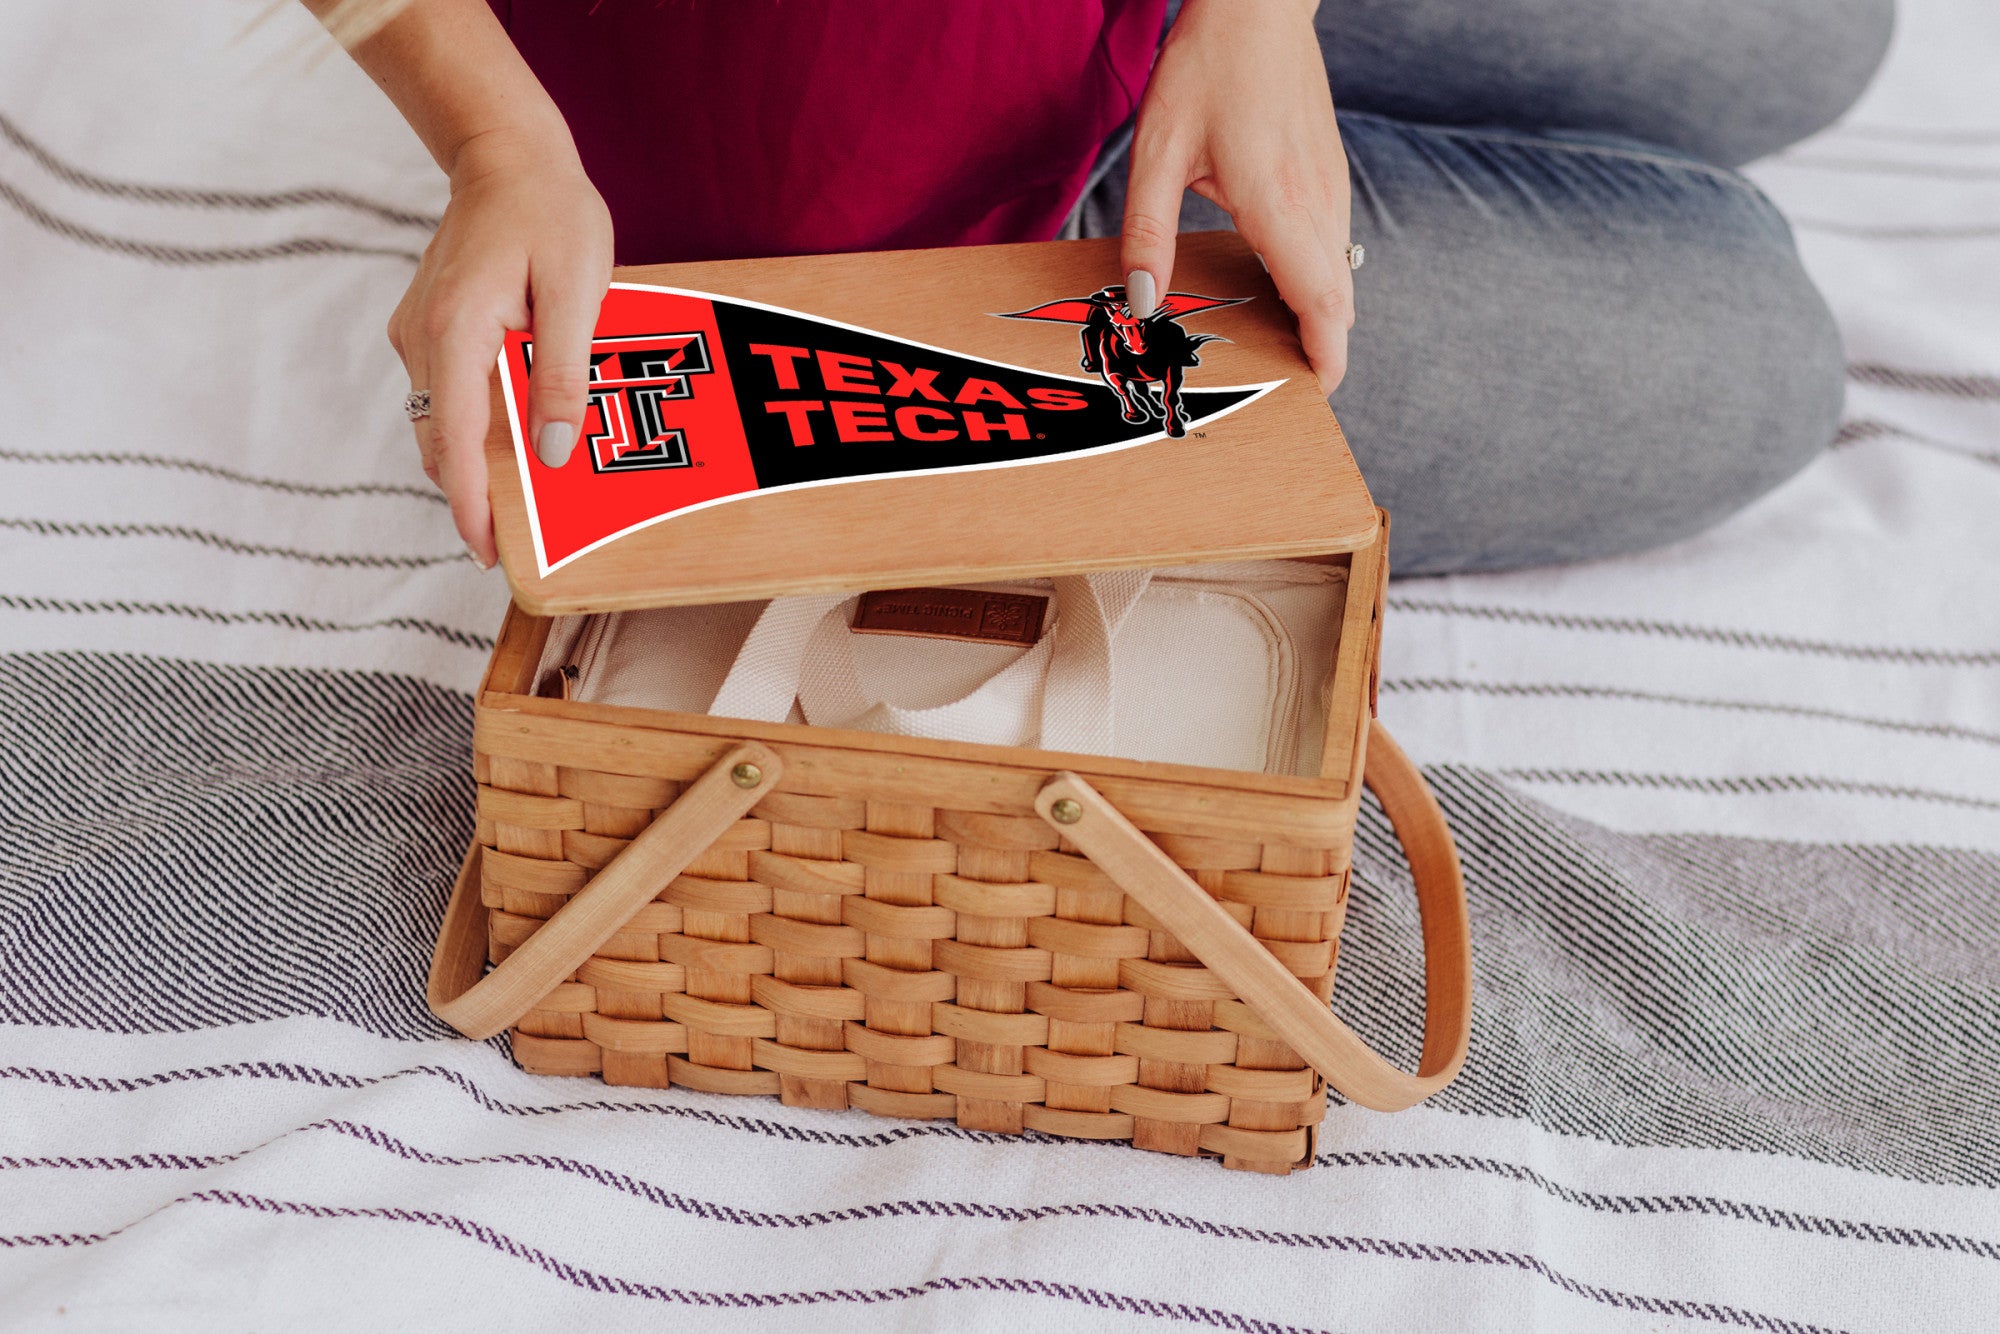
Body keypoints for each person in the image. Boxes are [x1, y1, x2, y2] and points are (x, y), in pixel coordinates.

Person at [312, 0, 1892, 576]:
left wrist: (1261, 15)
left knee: (1818, 24)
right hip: (876, 208)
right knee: (1758, 347)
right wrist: (498, 134)